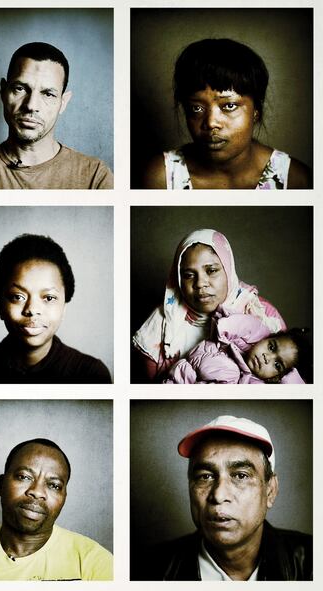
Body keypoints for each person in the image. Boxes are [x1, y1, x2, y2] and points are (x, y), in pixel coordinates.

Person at [133, 415, 312, 580]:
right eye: (205, 476)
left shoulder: (312, 562)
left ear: (270, 491)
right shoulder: (144, 570)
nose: (219, 495)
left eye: (241, 476)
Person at [141, 38, 312, 190]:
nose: (211, 123)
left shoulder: (295, 180)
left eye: (229, 106)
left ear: (256, 112)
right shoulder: (160, 178)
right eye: (196, 108)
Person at [0, 438, 112, 580]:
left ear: (64, 498)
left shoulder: (96, 563)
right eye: (24, 477)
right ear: (1, 485)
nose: (37, 492)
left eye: (54, 485)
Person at [0, 42, 113, 190]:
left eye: (48, 94)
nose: (31, 106)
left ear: (63, 102)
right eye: (20, 88)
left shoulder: (95, 176)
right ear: (3, 91)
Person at [132, 228, 285, 382]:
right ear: (178, 279)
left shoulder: (262, 314)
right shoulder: (160, 326)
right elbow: (153, 395)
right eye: (188, 275)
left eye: (211, 271)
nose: (200, 284)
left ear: (228, 270)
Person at [0, 234, 110, 383]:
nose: (32, 310)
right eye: (18, 297)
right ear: (0, 305)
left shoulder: (90, 374)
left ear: (64, 307)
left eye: (49, 298)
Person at [164, 313, 310, 384]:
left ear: (276, 377)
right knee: (231, 372)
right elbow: (238, 324)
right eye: (271, 347)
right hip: (195, 365)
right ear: (266, 338)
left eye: (277, 365)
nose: (267, 358)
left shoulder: (257, 386)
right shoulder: (243, 339)